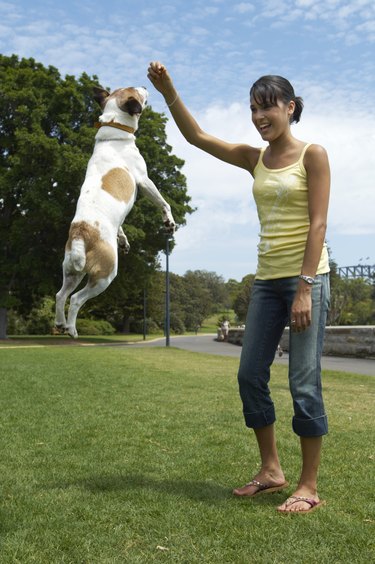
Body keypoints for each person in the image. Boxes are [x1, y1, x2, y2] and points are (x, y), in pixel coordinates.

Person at [147, 62, 330, 514]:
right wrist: (169, 90)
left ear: (290, 107)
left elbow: (319, 223)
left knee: (303, 382)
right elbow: (198, 138)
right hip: (266, 282)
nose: (259, 116)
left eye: (267, 107)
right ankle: (271, 470)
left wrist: (305, 287)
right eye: (253, 109)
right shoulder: (255, 159)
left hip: (307, 278)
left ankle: (308, 486)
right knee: (250, 374)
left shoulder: (314, 154)